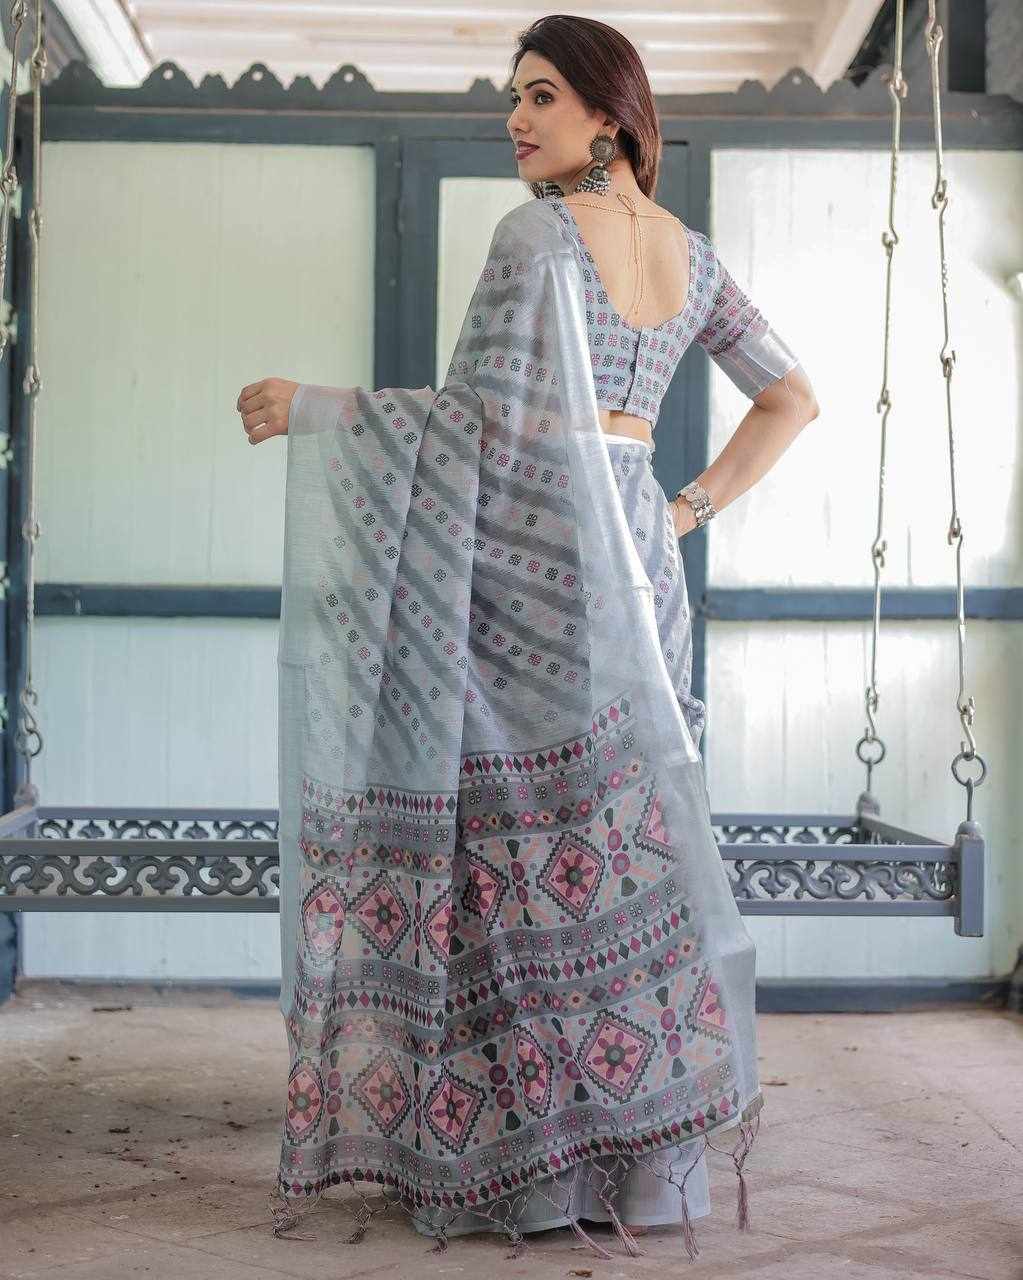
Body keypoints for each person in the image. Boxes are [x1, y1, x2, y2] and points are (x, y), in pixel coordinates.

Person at [239, 14, 818, 1263]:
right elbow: (792, 397)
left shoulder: (537, 236)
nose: (516, 119)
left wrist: (318, 409)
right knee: (622, 858)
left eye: (543, 96)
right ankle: (643, 1171)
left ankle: (534, 1173)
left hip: (534, 567)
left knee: (513, 864)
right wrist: (681, 508)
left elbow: (474, 428)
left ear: (609, 113)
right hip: (640, 566)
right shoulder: (691, 257)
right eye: (515, 97)